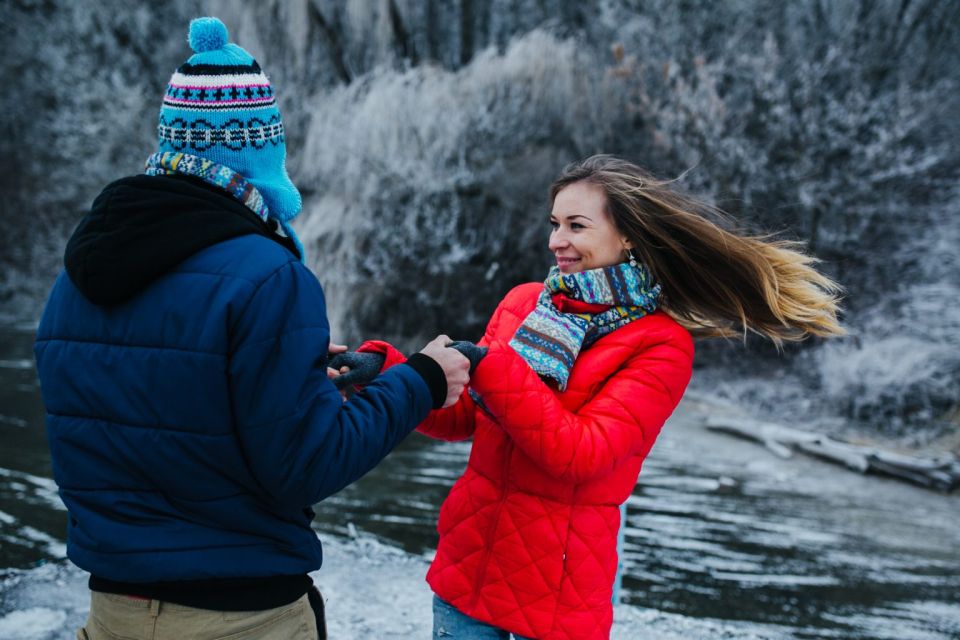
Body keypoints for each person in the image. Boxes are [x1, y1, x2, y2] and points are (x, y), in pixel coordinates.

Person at [32, 17, 470, 640]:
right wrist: (422, 381)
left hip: (111, 612)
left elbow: (146, 411)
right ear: (261, 151)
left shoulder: (76, 276)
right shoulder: (267, 274)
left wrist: (296, 379)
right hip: (243, 617)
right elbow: (308, 465)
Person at [338, 154, 844, 639]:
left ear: (626, 236)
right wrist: (387, 372)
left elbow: (582, 454)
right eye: (555, 224)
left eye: (577, 226)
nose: (558, 241)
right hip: (469, 567)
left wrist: (492, 366)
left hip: (558, 598)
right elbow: (465, 417)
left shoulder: (660, 345)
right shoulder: (523, 303)